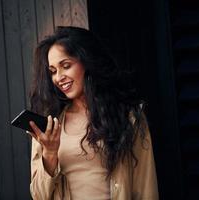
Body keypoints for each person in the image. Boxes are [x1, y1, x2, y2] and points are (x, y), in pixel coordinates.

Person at [28, 26, 159, 200]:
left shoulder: (128, 117)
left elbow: (146, 189)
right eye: (53, 71)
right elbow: (39, 196)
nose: (58, 77)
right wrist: (50, 153)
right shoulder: (49, 126)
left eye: (66, 66)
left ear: (87, 62)